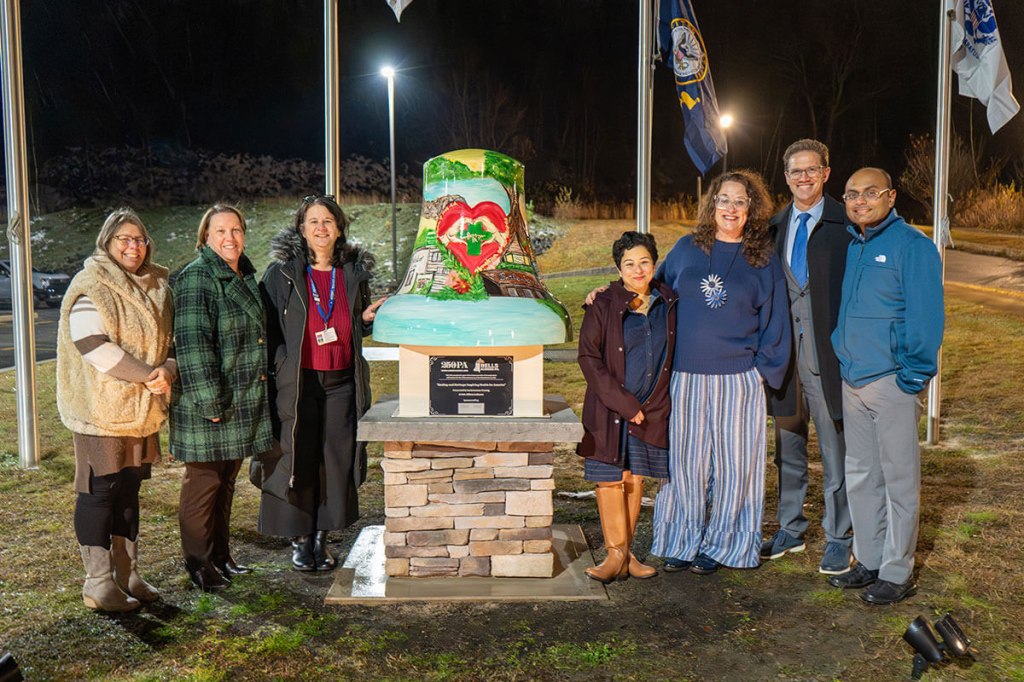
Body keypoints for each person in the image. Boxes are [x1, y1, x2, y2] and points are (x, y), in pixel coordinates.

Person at [649, 170, 791, 575]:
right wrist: (609, 296)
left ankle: (724, 544)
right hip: (686, 376)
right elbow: (652, 294)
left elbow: (776, 321)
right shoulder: (685, 250)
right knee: (686, 463)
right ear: (712, 205)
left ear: (752, 209)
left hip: (738, 378)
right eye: (724, 200)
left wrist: (762, 373)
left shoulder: (762, 260)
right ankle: (681, 538)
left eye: (740, 201)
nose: (731, 208)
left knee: (736, 466)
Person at [828, 168, 943, 604]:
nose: (860, 201)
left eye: (870, 193)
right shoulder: (856, 244)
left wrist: (912, 376)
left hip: (892, 381)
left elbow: (926, 317)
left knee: (898, 480)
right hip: (853, 380)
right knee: (861, 476)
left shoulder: (912, 247)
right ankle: (870, 561)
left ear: (891, 197)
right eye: (852, 194)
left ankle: (897, 571)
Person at [253, 195, 383, 571]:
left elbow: (350, 324)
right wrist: (280, 365)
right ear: (301, 229)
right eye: (313, 221)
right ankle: (300, 538)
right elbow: (269, 330)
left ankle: (323, 537)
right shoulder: (281, 274)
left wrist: (367, 320)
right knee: (299, 456)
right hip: (299, 382)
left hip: (342, 382)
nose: (321, 228)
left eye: (328, 220)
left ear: (339, 227)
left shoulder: (353, 273)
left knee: (336, 459)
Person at [56, 208, 175, 611]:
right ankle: (98, 583)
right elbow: (91, 345)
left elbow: (170, 342)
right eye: (123, 238)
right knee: (100, 491)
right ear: (107, 241)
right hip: (101, 411)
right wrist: (147, 375)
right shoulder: (92, 284)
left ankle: (128, 573)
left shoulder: (158, 284)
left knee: (129, 489)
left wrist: (167, 371)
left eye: (139, 238)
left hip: (142, 409)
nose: (133, 246)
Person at [762, 139, 854, 575]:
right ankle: (790, 528)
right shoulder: (773, 227)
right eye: (796, 171)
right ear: (786, 177)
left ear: (826, 173)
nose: (804, 178)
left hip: (829, 358)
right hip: (785, 360)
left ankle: (840, 537)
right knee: (789, 447)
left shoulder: (844, 223)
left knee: (836, 451)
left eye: (811, 170)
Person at [170, 204, 272, 592]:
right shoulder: (197, 278)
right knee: (203, 485)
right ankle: (198, 564)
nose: (230, 238)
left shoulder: (243, 273)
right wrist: (211, 403)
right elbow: (194, 347)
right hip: (210, 403)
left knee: (226, 482)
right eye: (220, 232)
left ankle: (221, 556)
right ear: (206, 238)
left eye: (236, 230)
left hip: (239, 400)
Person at [577, 231, 678, 583]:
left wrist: (646, 406)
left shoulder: (668, 302)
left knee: (634, 477)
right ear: (618, 269)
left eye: (644, 262)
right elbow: (588, 358)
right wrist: (622, 403)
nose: (638, 270)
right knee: (610, 478)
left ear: (655, 264)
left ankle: (627, 553)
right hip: (610, 410)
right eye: (629, 264)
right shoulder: (603, 304)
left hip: (651, 407)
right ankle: (614, 555)